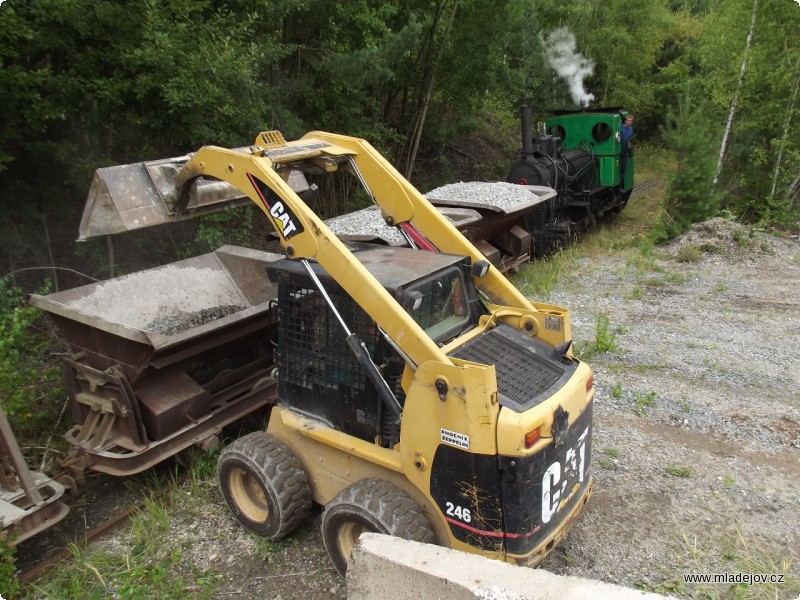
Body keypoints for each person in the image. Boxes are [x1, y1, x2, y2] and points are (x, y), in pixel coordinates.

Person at [620, 115, 634, 186]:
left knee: (623, 170)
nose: (629, 122)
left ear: (632, 122)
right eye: (628, 120)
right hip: (618, 150)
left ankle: (620, 186)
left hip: (625, 151)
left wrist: (630, 151)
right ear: (625, 121)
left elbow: (629, 141)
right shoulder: (620, 126)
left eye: (630, 121)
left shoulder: (631, 129)